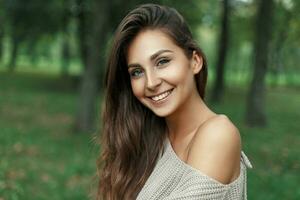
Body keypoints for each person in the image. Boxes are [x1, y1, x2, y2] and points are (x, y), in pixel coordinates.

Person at [97, 3, 252, 200]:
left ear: (195, 61)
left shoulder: (218, 134)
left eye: (162, 62)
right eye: (137, 72)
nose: (151, 83)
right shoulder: (149, 138)